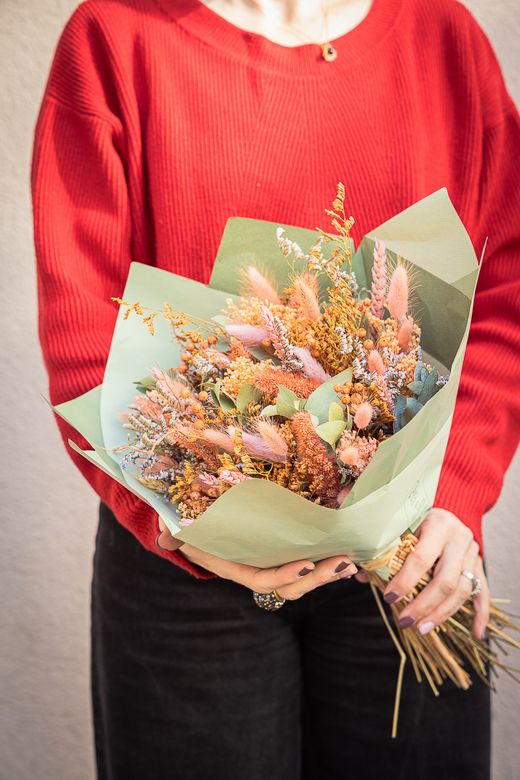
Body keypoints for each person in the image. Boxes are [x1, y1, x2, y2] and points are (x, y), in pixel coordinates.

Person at [30, 0, 520, 777]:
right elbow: (84, 328)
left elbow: (507, 293)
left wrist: (456, 486)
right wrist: (178, 521)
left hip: (415, 556)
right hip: (187, 575)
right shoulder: (114, 40)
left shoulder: (444, 40)